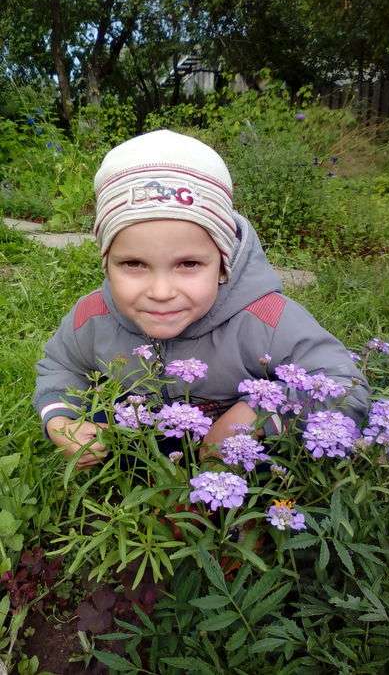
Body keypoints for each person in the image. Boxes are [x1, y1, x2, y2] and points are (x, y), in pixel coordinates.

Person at [33, 129, 369, 469]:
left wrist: (258, 414)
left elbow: (345, 387)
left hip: (245, 483)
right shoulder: (92, 315)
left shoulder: (266, 317)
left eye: (188, 264)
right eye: (133, 264)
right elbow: (60, 367)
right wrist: (61, 421)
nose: (161, 292)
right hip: (138, 472)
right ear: (106, 262)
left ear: (223, 262)